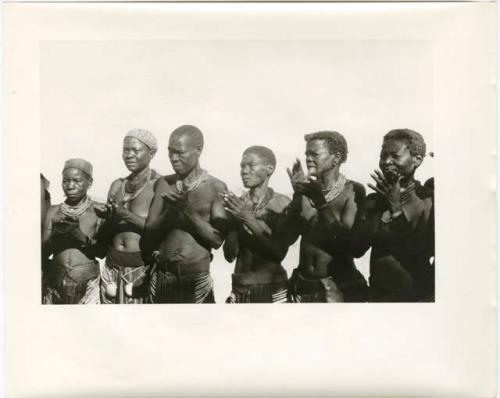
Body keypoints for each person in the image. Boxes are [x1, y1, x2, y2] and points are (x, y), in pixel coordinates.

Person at [142, 125, 229, 303]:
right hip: (162, 277)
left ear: (198, 150)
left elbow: (217, 240)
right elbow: (148, 232)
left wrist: (188, 212)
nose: (173, 158)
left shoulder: (215, 188)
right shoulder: (164, 184)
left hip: (195, 280)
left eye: (180, 152)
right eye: (170, 152)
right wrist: (169, 214)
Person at [280, 131, 368, 302]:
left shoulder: (352, 191)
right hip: (302, 285)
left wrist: (320, 202)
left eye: (314, 154)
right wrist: (297, 195)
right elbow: (286, 236)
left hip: (337, 288)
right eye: (307, 154)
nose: (308, 159)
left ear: (336, 158)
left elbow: (345, 244)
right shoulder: (306, 191)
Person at [352, 129, 434, 302]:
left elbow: (418, 249)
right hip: (378, 295)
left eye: (395, 156)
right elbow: (357, 250)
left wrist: (395, 205)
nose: (386, 161)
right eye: (383, 156)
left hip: (417, 297)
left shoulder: (427, 199)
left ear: (417, 160)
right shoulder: (373, 201)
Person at [94, 129, 160, 304]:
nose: (129, 155)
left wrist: (124, 214)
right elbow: (105, 234)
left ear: (151, 153)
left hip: (141, 269)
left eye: (135, 150)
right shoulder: (117, 186)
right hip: (111, 268)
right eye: (125, 150)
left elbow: (158, 230)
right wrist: (107, 218)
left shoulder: (159, 186)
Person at [222, 146, 291, 303]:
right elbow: (229, 255)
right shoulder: (237, 204)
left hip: (273, 289)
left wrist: (248, 219)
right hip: (240, 290)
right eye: (242, 166)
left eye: (250, 165)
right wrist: (235, 221)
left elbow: (278, 253)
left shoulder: (282, 204)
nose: (244, 171)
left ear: (269, 169)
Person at [42, 159, 101, 304]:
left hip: (88, 284)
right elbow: (42, 250)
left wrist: (80, 236)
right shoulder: (53, 211)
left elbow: (102, 251)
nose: (70, 186)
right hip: (55, 282)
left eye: (77, 181)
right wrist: (55, 235)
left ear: (90, 182)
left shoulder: (98, 211)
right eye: (65, 181)